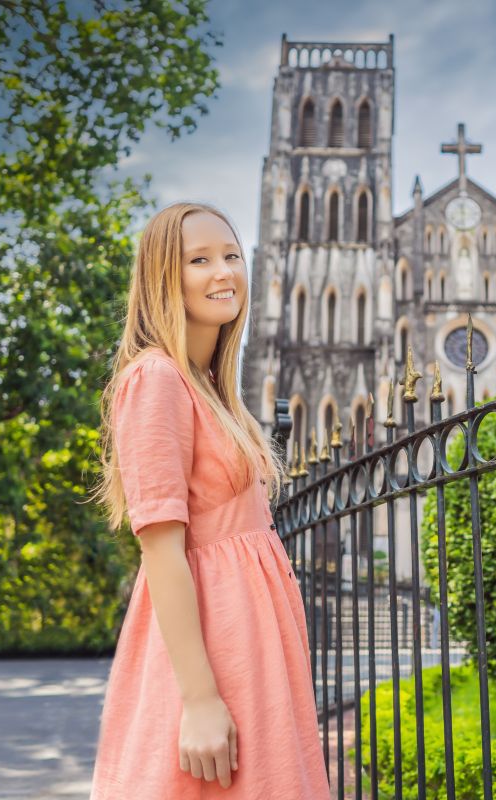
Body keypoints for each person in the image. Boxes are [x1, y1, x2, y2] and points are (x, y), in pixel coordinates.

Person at [88, 202, 331, 799]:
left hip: (252, 644)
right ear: (163, 278)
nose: (224, 272)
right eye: (199, 259)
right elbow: (162, 550)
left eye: (231, 255)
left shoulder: (209, 387)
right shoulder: (157, 379)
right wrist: (198, 699)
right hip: (213, 645)